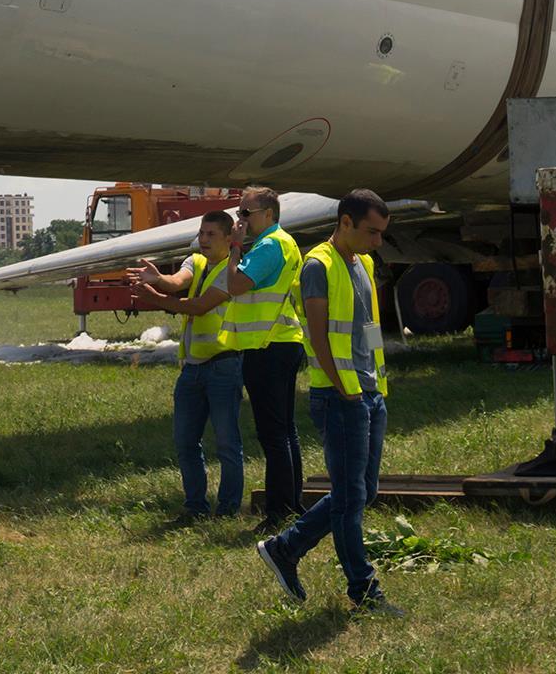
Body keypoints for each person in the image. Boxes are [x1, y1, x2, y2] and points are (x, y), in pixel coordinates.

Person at [256, 189, 403, 617]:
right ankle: (363, 588)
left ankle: (286, 548)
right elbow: (317, 336)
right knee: (350, 497)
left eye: (381, 234)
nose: (378, 242)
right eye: (372, 232)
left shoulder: (366, 263)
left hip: (368, 391)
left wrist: (375, 380)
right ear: (346, 222)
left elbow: (370, 325)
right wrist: (344, 388)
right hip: (340, 396)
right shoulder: (317, 265)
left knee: (361, 491)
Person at [132, 211, 245, 521]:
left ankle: (228, 508)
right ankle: (195, 506)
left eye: (211, 234)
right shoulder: (195, 262)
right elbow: (176, 282)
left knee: (227, 443)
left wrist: (154, 297)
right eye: (201, 233)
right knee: (185, 441)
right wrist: (159, 280)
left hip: (224, 365)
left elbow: (198, 305)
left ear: (227, 238)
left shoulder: (232, 271)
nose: (203, 240)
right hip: (192, 368)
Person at [230, 186, 307, 535]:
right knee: (285, 431)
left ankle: (278, 512)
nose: (240, 219)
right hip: (281, 342)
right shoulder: (283, 243)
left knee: (273, 434)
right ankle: (291, 504)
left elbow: (235, 285)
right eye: (240, 212)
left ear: (268, 214)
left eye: (246, 213)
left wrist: (234, 248)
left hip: (268, 347)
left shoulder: (269, 246)